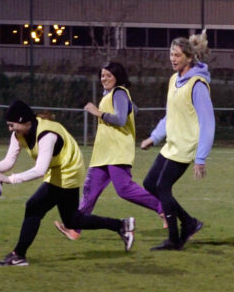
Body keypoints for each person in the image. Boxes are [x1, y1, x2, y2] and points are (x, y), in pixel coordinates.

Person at [0, 100, 134, 266]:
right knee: (72, 220)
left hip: (69, 170)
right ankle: (121, 225)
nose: (10, 129)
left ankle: (19, 255)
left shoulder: (46, 135)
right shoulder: (19, 134)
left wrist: (10, 179)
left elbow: (39, 170)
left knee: (34, 207)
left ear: (25, 121)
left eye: (12, 125)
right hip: (56, 168)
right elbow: (9, 161)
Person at [53, 61, 166, 241]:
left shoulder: (119, 92)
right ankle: (74, 229)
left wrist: (99, 113)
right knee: (90, 192)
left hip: (116, 152)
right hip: (103, 153)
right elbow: (134, 110)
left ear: (117, 77)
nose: (103, 78)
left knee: (124, 189)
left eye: (108, 75)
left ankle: (163, 208)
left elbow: (121, 120)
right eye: (102, 75)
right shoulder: (111, 94)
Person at [140, 32, 215, 251]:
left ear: (189, 58)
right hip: (171, 145)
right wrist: (154, 137)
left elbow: (208, 124)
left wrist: (201, 158)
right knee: (149, 184)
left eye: (177, 55)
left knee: (163, 186)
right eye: (171, 54)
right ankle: (189, 222)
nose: (173, 59)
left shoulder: (198, 85)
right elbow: (169, 116)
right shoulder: (174, 80)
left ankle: (174, 239)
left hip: (186, 147)